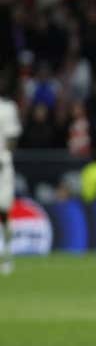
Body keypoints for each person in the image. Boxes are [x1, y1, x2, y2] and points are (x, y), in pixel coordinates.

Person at [0, 85, 21, 275]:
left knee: (4, 211)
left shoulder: (8, 108)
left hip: (2, 167)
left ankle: (7, 255)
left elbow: (12, 139)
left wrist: (3, 154)